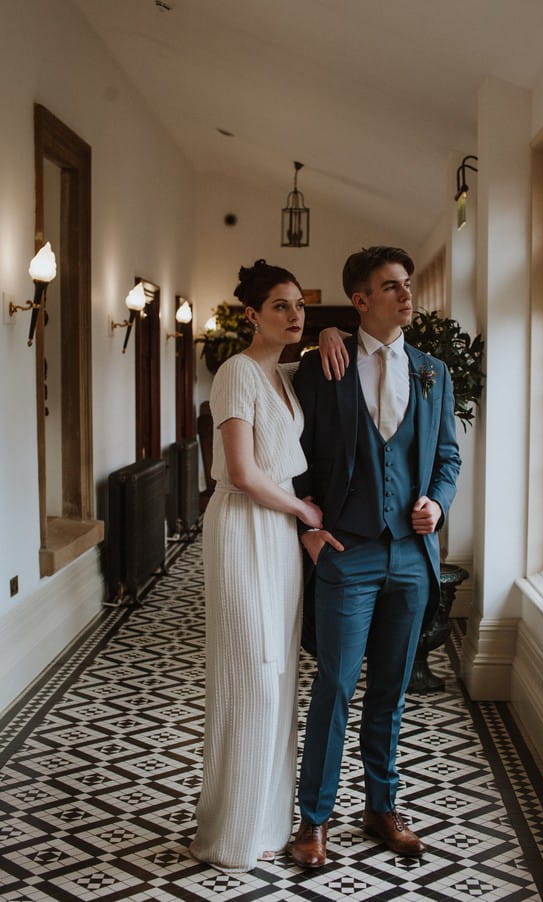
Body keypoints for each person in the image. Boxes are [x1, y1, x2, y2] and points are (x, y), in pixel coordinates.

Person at [289, 246, 462, 868]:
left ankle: (382, 807)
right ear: (361, 300)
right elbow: (289, 453)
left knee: (390, 689)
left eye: (408, 285)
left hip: (412, 560)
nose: (407, 294)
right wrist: (307, 527)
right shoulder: (320, 368)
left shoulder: (434, 373)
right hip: (348, 553)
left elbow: (447, 458)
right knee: (334, 686)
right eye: (392, 286)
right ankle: (314, 821)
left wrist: (437, 506)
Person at [189, 259, 343, 872]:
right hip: (242, 524)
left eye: (300, 306)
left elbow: (343, 350)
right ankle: (232, 827)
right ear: (251, 314)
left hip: (276, 531)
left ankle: (267, 818)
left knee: (279, 674)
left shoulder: (285, 374)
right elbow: (247, 473)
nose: (294, 316)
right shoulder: (235, 372)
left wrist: (333, 333)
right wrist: (306, 511)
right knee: (250, 667)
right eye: (280, 306)